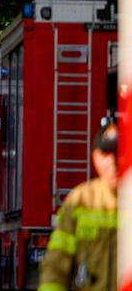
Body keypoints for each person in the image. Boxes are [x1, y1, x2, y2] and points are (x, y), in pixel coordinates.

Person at [39, 124, 117, 291]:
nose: (113, 162)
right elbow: (56, 264)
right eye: (106, 154)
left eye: (118, 153)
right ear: (95, 157)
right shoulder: (80, 200)